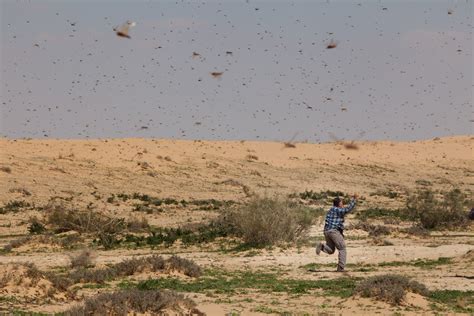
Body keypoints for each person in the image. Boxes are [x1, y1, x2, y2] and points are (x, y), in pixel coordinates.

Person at [315, 194, 357, 272]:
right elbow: (347, 210)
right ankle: (340, 268)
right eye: (342, 203)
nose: (343, 204)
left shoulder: (332, 209)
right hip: (333, 231)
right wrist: (353, 200)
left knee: (331, 250)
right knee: (342, 248)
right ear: (339, 204)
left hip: (327, 231)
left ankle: (321, 246)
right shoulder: (337, 210)